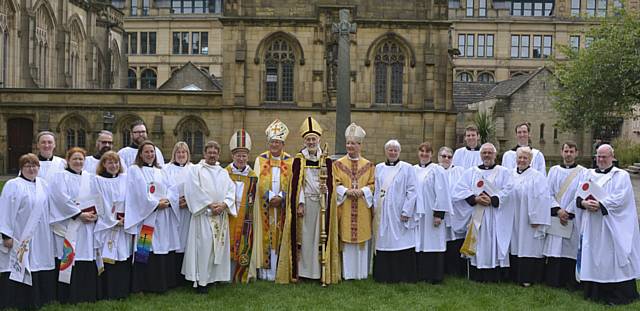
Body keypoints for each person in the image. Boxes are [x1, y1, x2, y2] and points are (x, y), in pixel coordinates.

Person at [572, 144, 640, 305]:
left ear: (612, 157)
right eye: (599, 156)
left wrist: (600, 204)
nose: (601, 159)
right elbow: (578, 194)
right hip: (592, 226)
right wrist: (583, 203)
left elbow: (621, 198)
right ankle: (595, 292)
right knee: (593, 255)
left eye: (605, 156)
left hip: (611, 226)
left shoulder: (621, 175)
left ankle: (617, 295)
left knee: (611, 257)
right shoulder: (588, 174)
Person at [282, 117, 338, 284]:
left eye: (314, 139)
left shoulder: (326, 160)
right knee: (305, 239)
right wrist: (300, 203)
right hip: (306, 204)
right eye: (308, 139)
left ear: (319, 140)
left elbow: (331, 184)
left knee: (319, 238)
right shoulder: (299, 160)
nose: (311, 142)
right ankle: (304, 273)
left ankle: (319, 272)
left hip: (321, 204)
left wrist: (326, 191)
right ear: (304, 141)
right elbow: (296, 184)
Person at [0, 154, 57, 309]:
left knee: (37, 263)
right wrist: (6, 234)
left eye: (35, 166)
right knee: (19, 263)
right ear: (21, 168)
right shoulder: (13, 185)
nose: (32, 169)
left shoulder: (43, 185)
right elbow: (5, 210)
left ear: (39, 167)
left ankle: (39, 299)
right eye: (27, 166)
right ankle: (18, 301)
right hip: (20, 233)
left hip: (41, 234)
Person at [452, 143, 514, 282]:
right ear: (480, 155)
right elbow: (459, 190)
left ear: (495, 154)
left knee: (494, 243)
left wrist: (493, 199)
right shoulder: (472, 172)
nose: (487, 155)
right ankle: (477, 274)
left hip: (495, 216)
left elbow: (509, 189)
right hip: (477, 214)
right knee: (478, 243)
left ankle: (494, 274)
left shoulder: (503, 172)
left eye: (489, 153)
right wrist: (475, 198)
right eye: (484, 153)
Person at [124, 140, 180, 293]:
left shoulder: (161, 170)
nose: (149, 154)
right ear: (140, 154)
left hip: (163, 217)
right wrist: (156, 204)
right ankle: (142, 286)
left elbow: (172, 188)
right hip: (147, 217)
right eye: (146, 152)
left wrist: (168, 201)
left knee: (162, 249)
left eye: (152, 152)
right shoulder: (135, 170)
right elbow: (138, 192)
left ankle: (162, 284)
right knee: (144, 251)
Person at [183, 141, 236, 293]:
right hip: (204, 215)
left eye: (215, 152)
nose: (212, 155)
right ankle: (201, 281)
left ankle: (213, 278)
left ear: (218, 154)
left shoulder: (223, 172)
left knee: (216, 249)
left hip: (220, 216)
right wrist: (209, 205)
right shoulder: (196, 170)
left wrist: (225, 205)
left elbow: (231, 191)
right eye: (209, 152)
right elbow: (193, 189)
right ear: (204, 153)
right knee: (204, 248)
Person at [49, 147, 100, 303]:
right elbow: (60, 199)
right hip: (69, 224)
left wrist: (96, 213)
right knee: (70, 258)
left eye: (81, 159)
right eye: (75, 159)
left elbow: (97, 198)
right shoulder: (60, 177)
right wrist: (79, 214)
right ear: (68, 160)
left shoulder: (90, 177)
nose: (78, 162)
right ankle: (68, 296)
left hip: (87, 226)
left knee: (85, 257)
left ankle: (86, 294)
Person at [331, 123, 375, 280]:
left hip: (362, 206)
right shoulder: (337, 165)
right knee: (347, 240)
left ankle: (361, 274)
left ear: (360, 145)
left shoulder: (369, 165)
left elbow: (372, 184)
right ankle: (348, 273)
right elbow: (334, 183)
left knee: (361, 239)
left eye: (353, 143)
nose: (350, 146)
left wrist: (362, 191)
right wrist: (346, 191)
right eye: (348, 143)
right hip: (346, 206)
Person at [252, 119, 294, 281]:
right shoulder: (260, 160)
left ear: (283, 144)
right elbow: (257, 183)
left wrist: (282, 197)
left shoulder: (290, 161)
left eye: (277, 142)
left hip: (283, 206)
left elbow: (293, 183)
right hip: (265, 206)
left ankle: (280, 270)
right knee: (266, 235)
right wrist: (269, 197)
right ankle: (266, 272)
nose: (274, 145)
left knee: (281, 234)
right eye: (272, 142)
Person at [371, 140, 418, 283]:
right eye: (390, 150)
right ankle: (384, 276)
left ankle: (402, 276)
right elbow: (377, 190)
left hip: (399, 211)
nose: (392, 152)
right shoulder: (378, 168)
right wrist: (375, 208)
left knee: (401, 242)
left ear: (399, 152)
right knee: (384, 242)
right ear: (385, 151)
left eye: (395, 150)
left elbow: (412, 190)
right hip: (383, 212)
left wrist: (407, 211)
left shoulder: (407, 168)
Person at [543, 141, 585, 290]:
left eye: (571, 151)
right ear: (562, 152)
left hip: (572, 217)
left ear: (576, 153)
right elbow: (547, 192)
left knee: (570, 249)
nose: (568, 154)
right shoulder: (553, 170)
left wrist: (569, 211)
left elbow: (581, 194)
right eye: (566, 151)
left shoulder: (583, 172)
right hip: (556, 215)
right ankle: (554, 281)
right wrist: (558, 210)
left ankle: (570, 282)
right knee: (554, 249)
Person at [508, 147, 551, 287]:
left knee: (528, 246)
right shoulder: (510, 175)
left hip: (529, 219)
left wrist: (537, 218)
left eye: (525, 158)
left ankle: (528, 277)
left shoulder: (537, 176)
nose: (522, 160)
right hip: (513, 217)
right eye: (519, 157)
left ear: (530, 160)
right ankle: (514, 276)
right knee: (514, 245)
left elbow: (543, 198)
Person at [92, 151, 132, 300]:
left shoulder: (125, 178)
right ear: (103, 165)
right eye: (110, 162)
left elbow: (132, 199)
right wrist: (113, 221)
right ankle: (108, 291)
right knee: (109, 258)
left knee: (123, 257)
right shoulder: (97, 181)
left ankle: (122, 291)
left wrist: (128, 218)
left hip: (124, 225)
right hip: (107, 226)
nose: (114, 165)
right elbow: (99, 203)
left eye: (116, 163)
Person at [413, 142, 452, 283]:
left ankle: (434, 275)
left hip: (432, 213)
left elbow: (442, 193)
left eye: (427, 152)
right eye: (422, 151)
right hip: (418, 214)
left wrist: (439, 215)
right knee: (420, 242)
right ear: (418, 153)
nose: (424, 154)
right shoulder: (413, 170)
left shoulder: (437, 170)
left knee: (434, 241)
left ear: (432, 154)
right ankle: (420, 274)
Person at [225, 129, 259, 283]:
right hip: (228, 215)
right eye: (238, 155)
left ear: (248, 157)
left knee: (243, 244)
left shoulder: (252, 176)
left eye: (244, 155)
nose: (241, 158)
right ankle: (225, 276)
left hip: (246, 216)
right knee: (226, 244)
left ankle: (241, 276)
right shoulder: (225, 173)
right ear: (233, 156)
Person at [163, 142, 193, 285]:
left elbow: (198, 189)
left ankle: (184, 277)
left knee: (186, 242)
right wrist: (174, 201)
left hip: (188, 212)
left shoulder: (193, 169)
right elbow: (163, 188)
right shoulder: (165, 169)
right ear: (174, 154)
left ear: (188, 155)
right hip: (171, 213)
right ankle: (171, 277)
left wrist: (188, 201)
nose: (181, 155)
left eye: (184, 152)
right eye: (178, 152)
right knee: (172, 241)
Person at [438, 146, 469, 277]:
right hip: (438, 212)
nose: (446, 159)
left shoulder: (459, 171)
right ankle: (441, 268)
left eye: (449, 157)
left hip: (456, 211)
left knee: (454, 241)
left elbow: (464, 188)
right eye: (443, 156)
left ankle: (455, 270)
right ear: (438, 157)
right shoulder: (434, 170)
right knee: (440, 239)